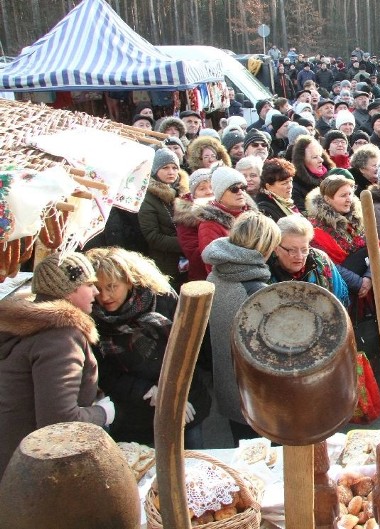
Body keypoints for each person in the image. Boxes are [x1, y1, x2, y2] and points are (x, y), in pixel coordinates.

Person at [0, 253, 114, 476]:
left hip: (16, 463)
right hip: (34, 474)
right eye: (89, 284)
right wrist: (102, 414)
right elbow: (58, 420)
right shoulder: (61, 337)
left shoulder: (34, 328)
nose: (96, 292)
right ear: (69, 289)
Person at [86, 247, 209, 447]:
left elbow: (189, 350)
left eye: (111, 286)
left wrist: (173, 396)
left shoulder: (161, 298)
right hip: (134, 414)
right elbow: (105, 373)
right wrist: (148, 391)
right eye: (98, 289)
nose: (105, 297)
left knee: (193, 463)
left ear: (129, 280)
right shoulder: (92, 318)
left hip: (185, 402)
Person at [203, 212, 280, 444]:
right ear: (263, 246)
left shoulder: (216, 275)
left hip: (229, 389)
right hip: (260, 399)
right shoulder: (255, 292)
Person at [305, 174, 371, 301]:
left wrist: (369, 277)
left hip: (368, 286)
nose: (349, 199)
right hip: (341, 291)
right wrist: (359, 283)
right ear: (328, 199)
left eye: (350, 194)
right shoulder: (315, 229)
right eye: (343, 195)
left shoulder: (360, 219)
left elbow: (375, 248)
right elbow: (326, 263)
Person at [270, 215, 350, 305]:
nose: (300, 256)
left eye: (304, 249)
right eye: (292, 250)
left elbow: (340, 300)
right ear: (276, 248)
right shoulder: (267, 271)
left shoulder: (321, 260)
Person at [138, 148, 188, 285]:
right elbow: (153, 237)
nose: (171, 172)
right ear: (154, 170)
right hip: (165, 264)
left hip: (188, 260)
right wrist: (186, 243)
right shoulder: (147, 198)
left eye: (174, 167)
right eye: (165, 167)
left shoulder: (184, 193)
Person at [197, 166, 256, 271]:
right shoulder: (209, 226)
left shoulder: (254, 216)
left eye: (243, 188)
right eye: (234, 189)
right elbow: (214, 266)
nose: (240, 192)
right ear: (220, 195)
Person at [291, 135, 335, 211]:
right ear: (302, 162)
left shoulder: (332, 177)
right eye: (314, 157)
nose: (321, 160)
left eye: (320, 156)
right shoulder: (295, 186)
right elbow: (303, 213)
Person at [255, 158, 300, 222]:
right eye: (284, 183)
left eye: (291, 181)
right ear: (268, 186)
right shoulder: (264, 211)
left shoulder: (287, 203)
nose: (290, 186)